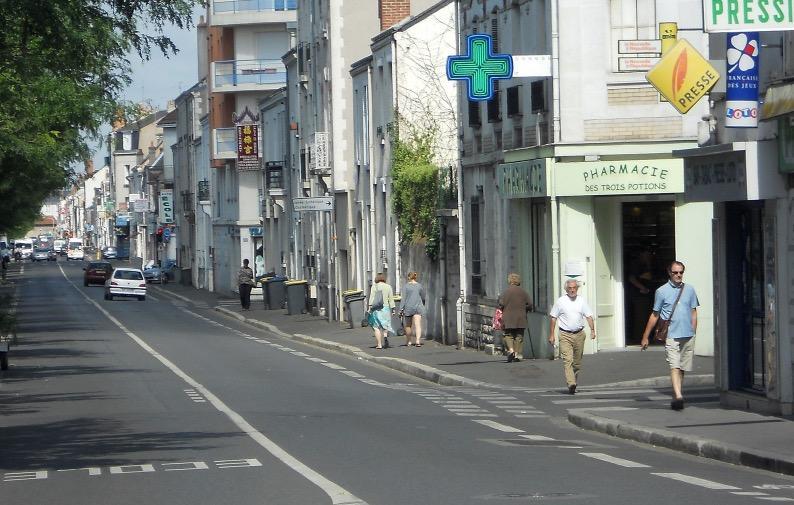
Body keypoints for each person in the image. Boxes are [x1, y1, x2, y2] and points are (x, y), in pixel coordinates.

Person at [641, 260, 699, 411]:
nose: (678, 275)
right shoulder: (661, 291)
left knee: (682, 368)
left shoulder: (690, 289)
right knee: (674, 365)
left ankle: (676, 394)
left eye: (681, 272)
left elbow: (693, 311)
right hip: (671, 334)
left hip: (688, 334)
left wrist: (694, 330)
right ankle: (679, 396)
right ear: (669, 273)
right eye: (675, 272)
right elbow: (655, 315)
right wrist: (645, 336)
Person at [548, 279, 596, 394]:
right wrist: (552, 335)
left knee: (577, 363)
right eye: (570, 288)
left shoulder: (581, 301)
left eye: (574, 288)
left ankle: (573, 380)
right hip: (565, 335)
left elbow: (589, 316)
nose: (572, 290)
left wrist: (593, 330)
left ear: (577, 288)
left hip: (579, 334)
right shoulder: (560, 302)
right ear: (566, 289)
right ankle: (571, 383)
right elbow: (553, 318)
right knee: (567, 360)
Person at [498, 273, 533, 363]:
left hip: (508, 317)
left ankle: (511, 351)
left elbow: (501, 303)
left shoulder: (506, 292)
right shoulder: (523, 292)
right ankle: (517, 354)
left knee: (508, 335)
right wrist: (526, 309)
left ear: (509, 281)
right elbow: (530, 304)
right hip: (521, 317)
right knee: (519, 336)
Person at [368, 272, 395, 349]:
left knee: (376, 327)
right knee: (385, 325)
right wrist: (393, 309)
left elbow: (371, 298)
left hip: (376, 308)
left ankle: (379, 344)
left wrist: (370, 308)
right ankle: (385, 336)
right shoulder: (388, 287)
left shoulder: (374, 287)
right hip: (385, 308)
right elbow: (391, 299)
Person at [399, 271, 427, 347]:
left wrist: (400, 309)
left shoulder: (406, 286)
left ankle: (409, 341)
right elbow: (423, 297)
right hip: (418, 307)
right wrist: (422, 304)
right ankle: (418, 341)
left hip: (408, 308)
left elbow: (403, 299)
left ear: (408, 277)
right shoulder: (419, 286)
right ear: (415, 277)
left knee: (408, 326)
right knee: (418, 325)